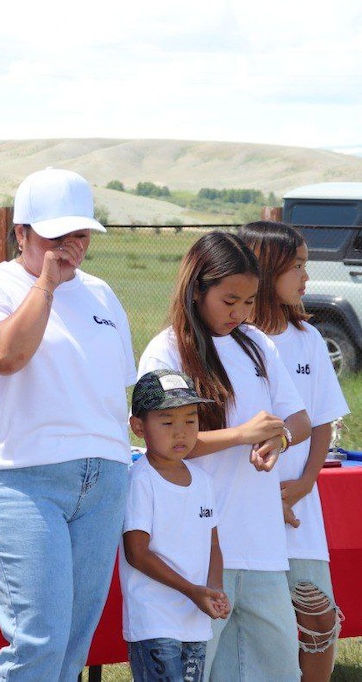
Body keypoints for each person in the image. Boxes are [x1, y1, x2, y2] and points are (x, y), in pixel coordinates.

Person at [0, 168, 136, 680]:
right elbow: (7, 357)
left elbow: (117, 389)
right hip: (23, 476)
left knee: (70, 645)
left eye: (80, 234)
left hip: (105, 476)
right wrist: (46, 284)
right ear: (21, 233)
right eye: (55, 235)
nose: (71, 246)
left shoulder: (103, 293)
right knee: (37, 641)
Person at [138, 231, 312, 681]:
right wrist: (242, 435)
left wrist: (279, 441)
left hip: (262, 546)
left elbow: (300, 421)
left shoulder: (257, 344)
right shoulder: (168, 349)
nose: (240, 314)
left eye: (250, 302)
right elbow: (167, 445)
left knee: (278, 672)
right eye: (229, 301)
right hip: (196, 552)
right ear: (198, 288)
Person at [239, 220, 349, 681]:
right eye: (298, 266)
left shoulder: (308, 339)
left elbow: (322, 420)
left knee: (319, 617)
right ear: (265, 269)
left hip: (300, 505)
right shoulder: (232, 339)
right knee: (264, 626)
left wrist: (304, 483)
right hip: (244, 505)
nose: (307, 277)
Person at [121, 369, 231, 682]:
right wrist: (191, 591)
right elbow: (137, 553)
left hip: (194, 619)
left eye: (190, 420)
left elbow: (212, 545)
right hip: (154, 621)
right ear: (138, 427)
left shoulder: (204, 482)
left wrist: (214, 589)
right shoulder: (140, 480)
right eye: (168, 422)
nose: (180, 432)